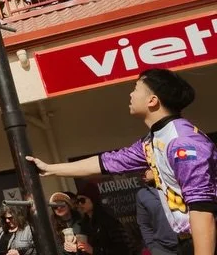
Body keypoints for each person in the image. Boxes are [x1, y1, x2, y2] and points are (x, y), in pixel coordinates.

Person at [27, 70, 217, 255]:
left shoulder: (182, 142)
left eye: (136, 88)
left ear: (152, 101)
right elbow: (107, 162)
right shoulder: (153, 140)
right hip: (186, 241)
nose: (131, 94)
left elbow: (202, 209)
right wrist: (49, 169)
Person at [138, 169, 180, 255]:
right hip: (162, 249)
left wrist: (158, 175)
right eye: (140, 171)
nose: (143, 173)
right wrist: (152, 248)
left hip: (190, 243)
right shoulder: (142, 194)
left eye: (145, 169)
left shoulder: (176, 184)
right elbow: (144, 224)